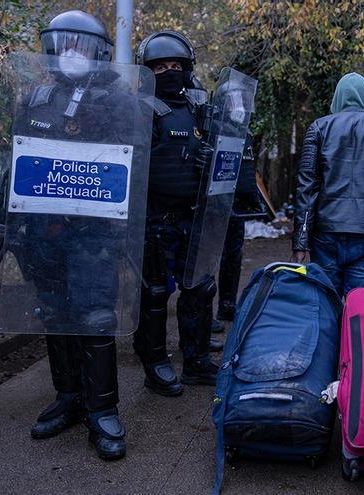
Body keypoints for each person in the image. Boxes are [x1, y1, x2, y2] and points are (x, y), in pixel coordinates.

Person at [0, 10, 148, 460]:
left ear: (99, 52)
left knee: (96, 316)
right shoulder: (38, 97)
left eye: (81, 45)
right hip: (45, 230)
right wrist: (7, 219)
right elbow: (19, 157)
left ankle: (102, 409)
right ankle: (68, 396)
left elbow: (134, 166)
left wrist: (122, 227)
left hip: (94, 233)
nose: (72, 53)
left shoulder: (121, 101)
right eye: (64, 44)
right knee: (55, 312)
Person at [132, 30, 219, 394]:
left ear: (186, 68)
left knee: (199, 289)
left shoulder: (200, 110)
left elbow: (225, 154)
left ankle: (195, 359)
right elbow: (128, 165)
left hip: (192, 216)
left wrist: (209, 160)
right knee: (153, 294)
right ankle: (155, 365)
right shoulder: (140, 109)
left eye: (175, 66)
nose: (168, 72)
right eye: (160, 66)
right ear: (147, 71)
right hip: (154, 220)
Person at [292, 72, 364, 296]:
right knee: (362, 313)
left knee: (325, 305)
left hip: (325, 235)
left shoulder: (318, 128)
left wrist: (300, 243)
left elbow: (306, 188)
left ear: (337, 97)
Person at [215, 132, 262, 324]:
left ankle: (228, 305)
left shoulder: (245, 134)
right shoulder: (212, 126)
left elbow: (247, 168)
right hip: (214, 203)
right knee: (208, 259)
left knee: (233, 256)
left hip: (237, 206)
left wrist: (252, 198)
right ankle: (203, 310)